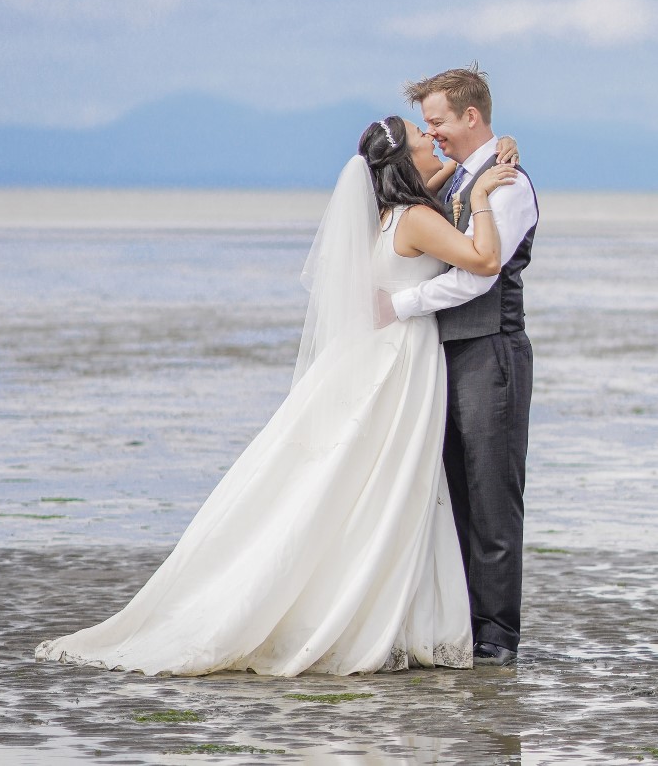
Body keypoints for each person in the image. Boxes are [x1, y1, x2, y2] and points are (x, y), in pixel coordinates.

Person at [35, 118, 516, 678]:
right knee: (389, 484)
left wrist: (493, 149)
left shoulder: (387, 216)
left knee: (368, 484)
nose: (434, 144)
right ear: (407, 165)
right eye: (422, 139)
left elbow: (450, 167)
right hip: (401, 360)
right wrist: (482, 195)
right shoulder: (417, 220)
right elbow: (483, 260)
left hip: (384, 355)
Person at [392, 66, 538, 667]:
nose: (434, 134)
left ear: (470, 116)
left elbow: (478, 276)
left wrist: (401, 305)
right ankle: (460, 627)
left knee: (492, 495)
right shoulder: (461, 177)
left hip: (491, 351)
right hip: (444, 355)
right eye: (427, 125)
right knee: (453, 493)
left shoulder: (508, 184)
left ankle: (497, 638)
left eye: (439, 122)